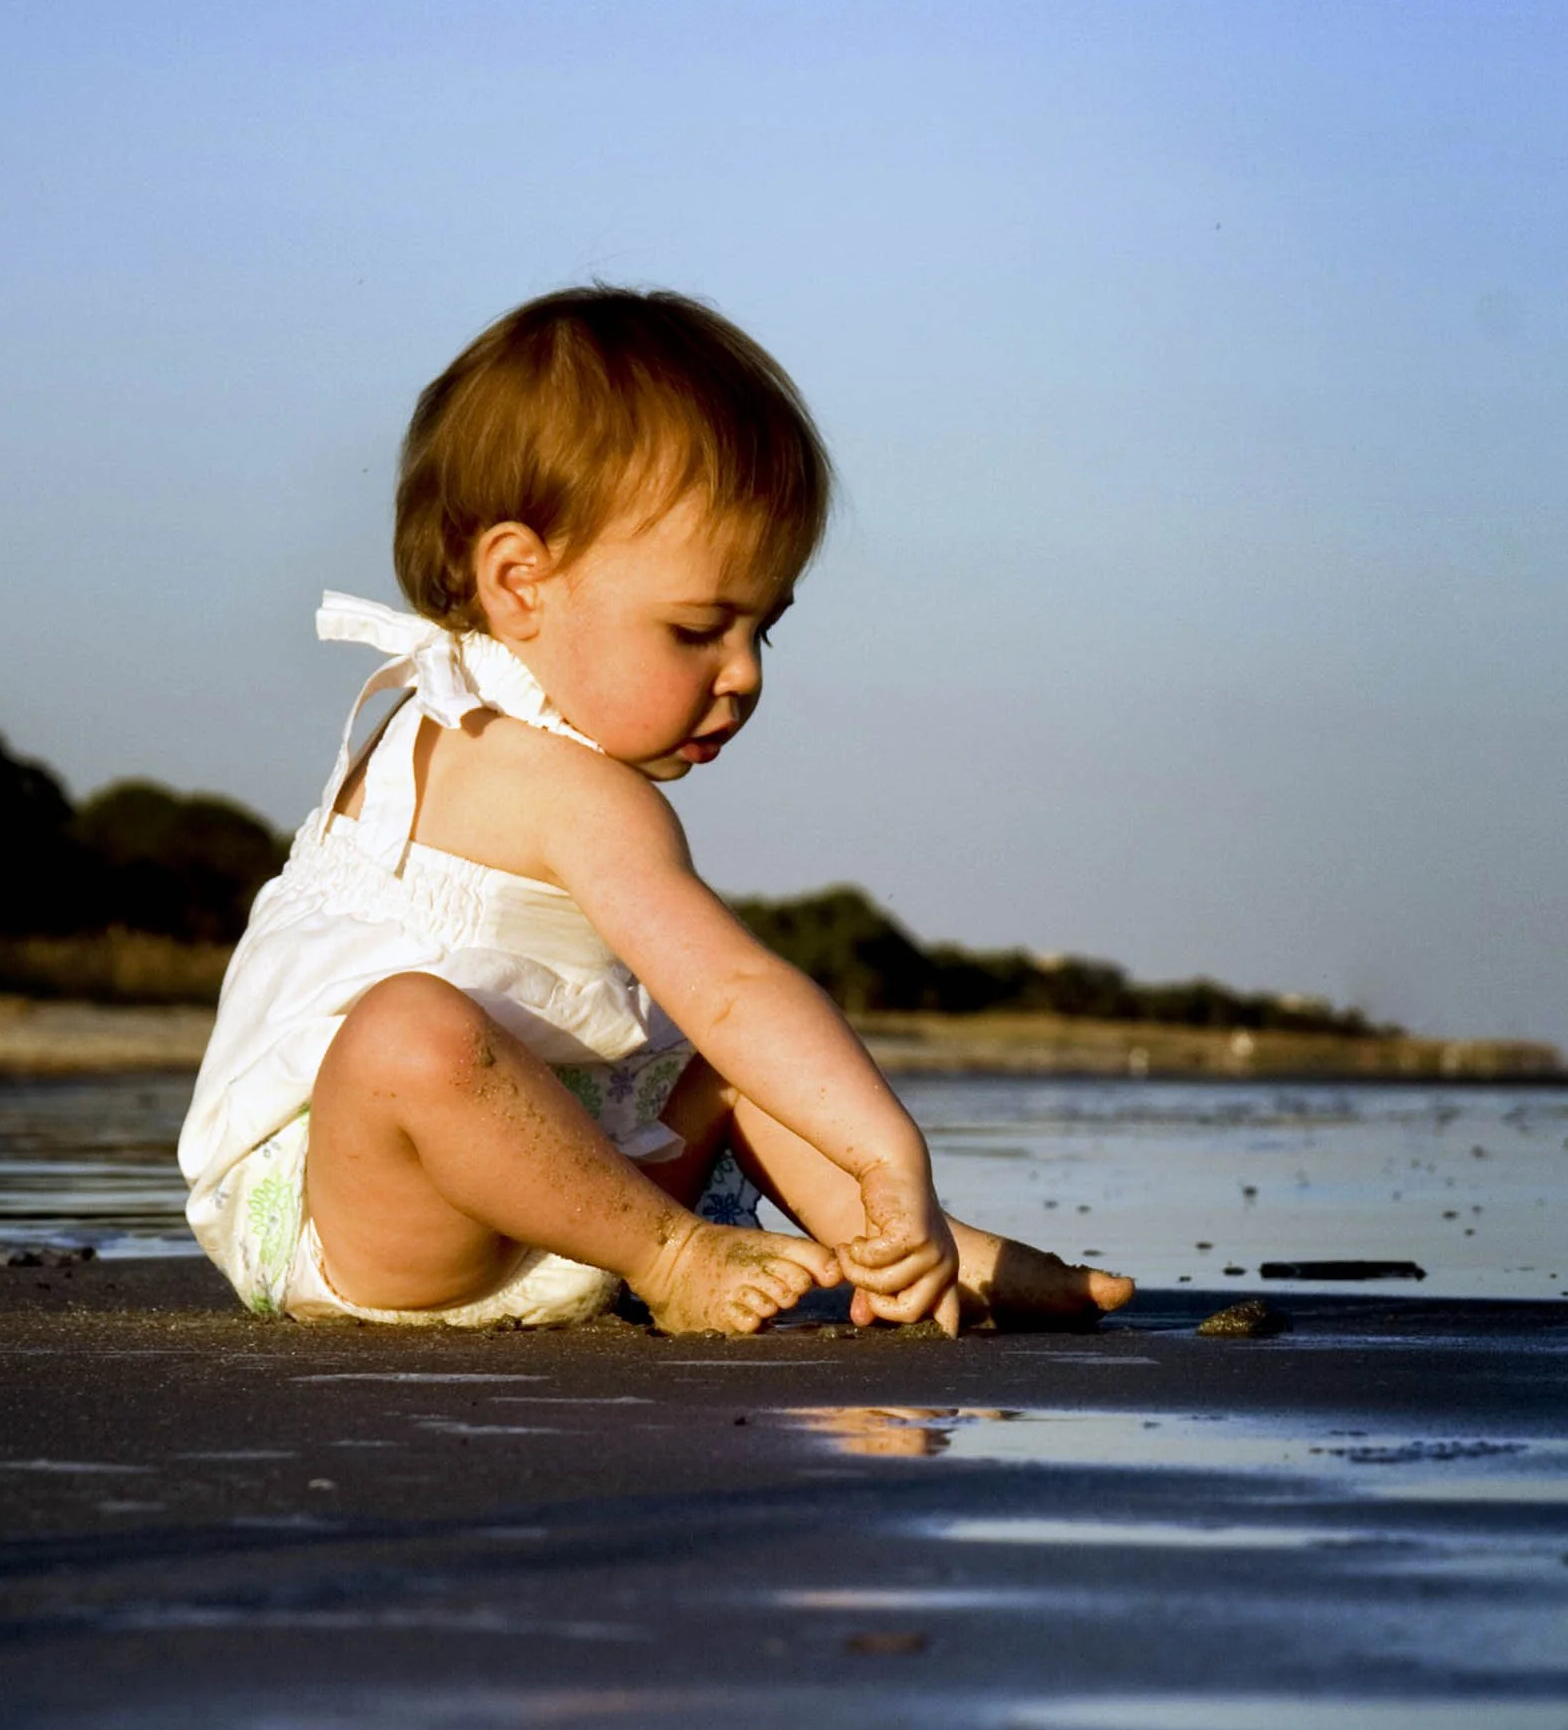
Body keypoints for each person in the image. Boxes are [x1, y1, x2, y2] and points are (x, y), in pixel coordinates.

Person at [180, 287, 1134, 1335]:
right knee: (412, 1035)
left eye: (763, 630)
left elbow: (729, 1024)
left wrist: (883, 1169)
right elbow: (727, 983)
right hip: (371, 1229)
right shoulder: (554, 779)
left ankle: (916, 1249)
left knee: (735, 1061)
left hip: (560, 1181)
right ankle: (675, 1253)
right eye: (697, 630)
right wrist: (886, 1141)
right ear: (518, 582)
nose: (743, 675)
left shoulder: (462, 717)